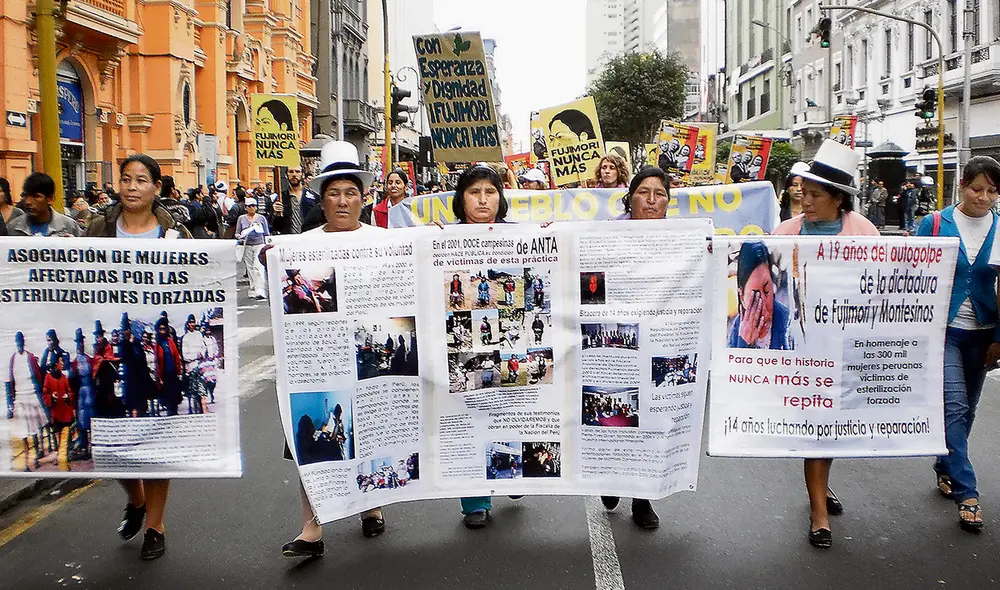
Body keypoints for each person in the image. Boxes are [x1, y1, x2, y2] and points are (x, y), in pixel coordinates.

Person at [257, 141, 387, 558]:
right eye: (334, 192)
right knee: (311, 442)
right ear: (322, 198)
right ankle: (310, 528)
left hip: (367, 355)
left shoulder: (385, 240)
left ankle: (371, 506)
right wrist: (269, 261)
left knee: (369, 433)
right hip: (319, 357)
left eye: (351, 192)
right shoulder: (300, 245)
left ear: (363, 198)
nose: (343, 201)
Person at [86, 153, 193, 561]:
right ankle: (135, 499)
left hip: (149, 367)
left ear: (156, 188)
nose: (131, 187)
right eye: (126, 179)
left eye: (141, 180)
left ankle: (155, 525)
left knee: (156, 444)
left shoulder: (174, 235)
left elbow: (197, 280)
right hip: (116, 363)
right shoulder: (98, 229)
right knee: (113, 446)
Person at [774, 139, 879, 548]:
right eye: (804, 193)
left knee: (833, 427)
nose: (806, 201)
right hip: (804, 350)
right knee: (815, 428)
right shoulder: (786, 231)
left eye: (816, 195)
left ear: (839, 200)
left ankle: (823, 487)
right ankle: (819, 512)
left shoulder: (864, 231)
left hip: (848, 347)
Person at [921, 156, 1000, 533]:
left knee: (967, 408)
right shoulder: (935, 223)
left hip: (984, 332)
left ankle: (945, 465)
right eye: (976, 188)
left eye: (991, 190)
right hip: (943, 330)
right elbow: (910, 276)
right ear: (962, 187)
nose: (983, 197)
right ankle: (968, 493)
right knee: (952, 406)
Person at [726, 241, 794, 350]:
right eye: (755, 296)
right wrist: (744, 342)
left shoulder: (788, 322)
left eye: (767, 291)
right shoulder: (737, 328)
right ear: (742, 297)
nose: (762, 303)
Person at [7, 332, 45, 471]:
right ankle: (26, 462)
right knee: (23, 431)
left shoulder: (29, 357)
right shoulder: (13, 359)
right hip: (20, 398)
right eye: (17, 342)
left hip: (32, 395)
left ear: (24, 342)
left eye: (21, 342)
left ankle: (36, 457)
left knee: (34, 429)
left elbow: (38, 376)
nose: (19, 344)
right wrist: (10, 402)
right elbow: (10, 381)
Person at [7, 173, 82, 236]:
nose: (28, 202)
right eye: (25, 196)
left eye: (36, 196)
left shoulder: (69, 226)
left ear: (50, 199)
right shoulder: (13, 228)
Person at [42, 356, 74, 471]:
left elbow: (70, 391)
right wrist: (51, 397)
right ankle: (59, 456)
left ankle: (64, 459)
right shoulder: (48, 378)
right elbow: (45, 394)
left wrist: (68, 396)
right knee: (57, 436)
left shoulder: (64, 377)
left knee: (65, 436)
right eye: (60, 363)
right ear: (56, 365)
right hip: (55, 413)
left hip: (65, 412)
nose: (62, 365)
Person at [235, 197, 270, 300]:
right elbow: (237, 232)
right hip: (247, 245)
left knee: (258, 267)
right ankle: (253, 288)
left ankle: (260, 290)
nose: (251, 208)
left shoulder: (261, 218)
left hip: (259, 243)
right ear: (246, 208)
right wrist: (240, 236)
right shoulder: (241, 218)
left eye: (253, 206)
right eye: (249, 206)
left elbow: (266, 233)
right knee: (250, 268)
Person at [69, 328, 95, 460]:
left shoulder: (88, 359)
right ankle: (84, 445)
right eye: (78, 343)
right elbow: (72, 381)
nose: (80, 345)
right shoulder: (74, 363)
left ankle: (93, 446)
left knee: (92, 418)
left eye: (81, 342)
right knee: (82, 419)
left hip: (90, 390)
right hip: (81, 393)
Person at [272, 166, 319, 235]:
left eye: (297, 172)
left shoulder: (314, 196)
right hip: (290, 240)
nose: (294, 174)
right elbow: (277, 227)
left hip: (310, 237)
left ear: (302, 175)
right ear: (286, 175)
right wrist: (277, 215)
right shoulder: (281, 198)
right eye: (291, 172)